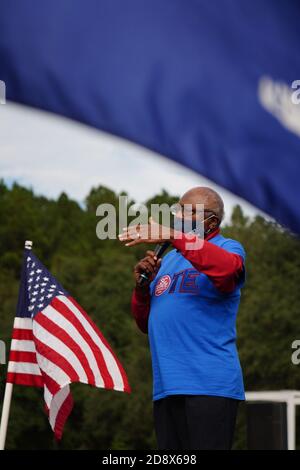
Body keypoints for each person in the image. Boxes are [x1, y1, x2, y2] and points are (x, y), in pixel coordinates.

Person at [118, 187, 246, 450]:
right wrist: (142, 288)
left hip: (209, 386)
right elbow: (145, 323)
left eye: (187, 212)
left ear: (210, 222)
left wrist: (173, 236)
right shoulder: (169, 259)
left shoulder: (228, 247)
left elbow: (227, 271)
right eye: (178, 210)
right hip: (167, 387)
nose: (178, 216)